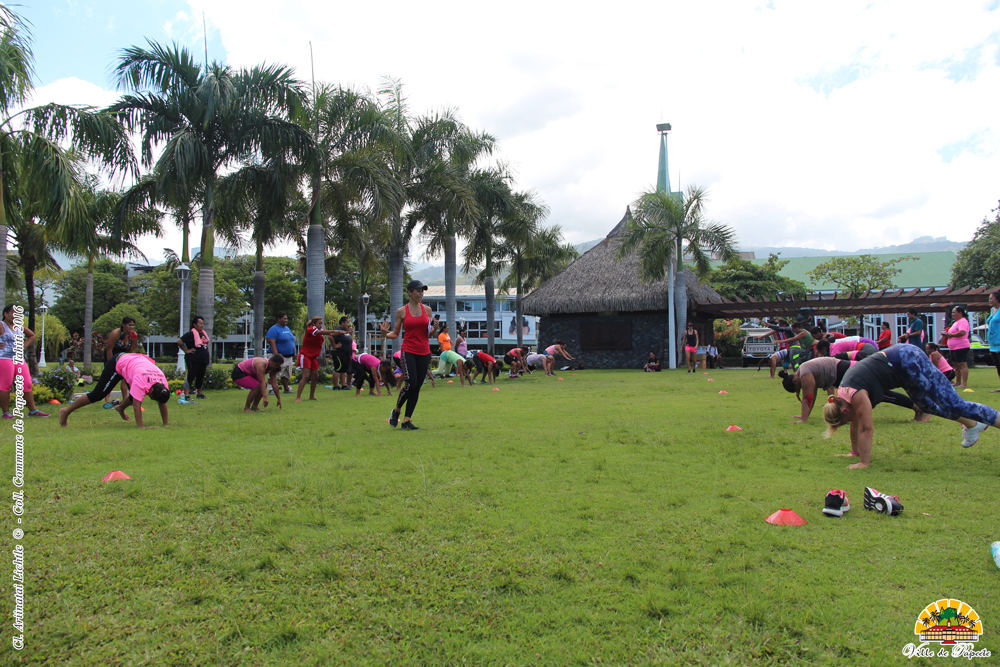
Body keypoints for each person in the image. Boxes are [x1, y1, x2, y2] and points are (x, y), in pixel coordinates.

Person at [823, 345, 999, 469]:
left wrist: (864, 463)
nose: (850, 423)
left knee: (954, 403)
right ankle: (973, 425)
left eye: (845, 422)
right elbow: (856, 424)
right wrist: (855, 452)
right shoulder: (844, 396)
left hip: (907, 358)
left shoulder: (855, 394)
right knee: (927, 406)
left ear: (845, 410)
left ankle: (991, 420)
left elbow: (866, 428)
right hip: (902, 371)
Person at [781, 356, 916, 424]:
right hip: (844, 372)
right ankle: (916, 406)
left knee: (881, 394)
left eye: (798, 388)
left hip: (847, 371)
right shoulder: (804, 371)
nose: (801, 390)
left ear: (795, 380)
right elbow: (812, 397)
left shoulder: (805, 373)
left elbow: (808, 397)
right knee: (880, 394)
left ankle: (917, 407)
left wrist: (803, 420)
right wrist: (804, 415)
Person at [380, 280, 439, 430]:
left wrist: (435, 329)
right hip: (408, 351)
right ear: (410, 292)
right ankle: (397, 410)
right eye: (418, 291)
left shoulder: (427, 310)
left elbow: (429, 334)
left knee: (417, 386)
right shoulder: (402, 311)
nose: (421, 294)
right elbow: (395, 333)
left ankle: (407, 420)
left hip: (424, 352)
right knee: (411, 383)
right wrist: (385, 334)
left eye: (422, 291)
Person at [58, 352, 170, 428]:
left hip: (135, 362)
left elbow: (162, 403)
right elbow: (136, 406)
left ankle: (120, 408)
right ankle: (66, 411)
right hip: (119, 362)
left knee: (133, 395)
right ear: (150, 391)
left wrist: (166, 425)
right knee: (98, 394)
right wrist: (141, 427)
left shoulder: (162, 383)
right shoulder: (141, 381)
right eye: (152, 398)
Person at [0, 305, 49, 419]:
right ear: (5, 314)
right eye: (13, 313)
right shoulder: (1, 325)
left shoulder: (19, 326)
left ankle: (33, 411)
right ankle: (6, 413)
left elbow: (31, 335)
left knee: (26, 384)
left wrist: (23, 346)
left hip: (19, 358)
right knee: (6, 385)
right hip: (5, 358)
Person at [296, 316, 338, 402]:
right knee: (305, 376)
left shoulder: (320, 330)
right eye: (319, 323)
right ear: (314, 323)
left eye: (321, 323)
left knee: (315, 376)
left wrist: (341, 332)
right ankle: (298, 397)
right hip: (305, 355)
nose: (320, 325)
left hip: (313, 356)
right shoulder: (311, 329)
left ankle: (312, 396)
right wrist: (335, 330)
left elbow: (330, 334)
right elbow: (321, 332)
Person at [177, 316, 210, 402]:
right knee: (191, 375)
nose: (202, 325)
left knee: (200, 376)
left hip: (203, 359)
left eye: (202, 323)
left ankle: (199, 394)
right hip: (193, 359)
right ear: (194, 325)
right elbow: (179, 341)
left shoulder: (203, 334)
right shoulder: (191, 334)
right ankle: (186, 394)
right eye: (200, 323)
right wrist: (186, 350)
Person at [106, 316, 139, 399]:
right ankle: (106, 401)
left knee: (124, 378)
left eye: (132, 325)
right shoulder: (115, 333)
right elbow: (109, 349)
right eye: (129, 325)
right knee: (109, 378)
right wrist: (110, 364)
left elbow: (132, 351)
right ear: (123, 325)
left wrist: (131, 364)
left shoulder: (133, 335)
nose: (131, 327)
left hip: (123, 356)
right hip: (112, 355)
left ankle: (125, 399)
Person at [265, 312, 297, 394]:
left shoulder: (287, 328)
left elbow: (291, 341)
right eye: (284, 318)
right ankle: (271, 389)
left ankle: (286, 389)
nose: (286, 320)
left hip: (288, 356)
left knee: (286, 373)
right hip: (278, 356)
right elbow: (271, 341)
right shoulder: (274, 329)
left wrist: (294, 352)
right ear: (279, 319)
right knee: (274, 371)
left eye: (286, 318)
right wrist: (276, 355)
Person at [942, 305, 971, 389]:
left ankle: (964, 383)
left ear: (960, 313)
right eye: (952, 312)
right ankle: (958, 382)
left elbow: (962, 332)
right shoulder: (955, 322)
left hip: (961, 346)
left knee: (962, 364)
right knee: (955, 364)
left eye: (954, 312)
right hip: (953, 347)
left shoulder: (963, 321)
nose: (952, 314)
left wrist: (950, 334)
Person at [329, 317, 355, 390]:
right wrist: (334, 345)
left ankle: (344, 385)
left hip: (346, 353)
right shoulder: (338, 330)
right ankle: (336, 386)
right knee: (338, 369)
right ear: (342, 322)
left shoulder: (345, 331)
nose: (348, 324)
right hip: (339, 352)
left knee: (344, 370)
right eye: (347, 322)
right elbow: (330, 336)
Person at [987, 290, 1000, 393]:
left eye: (992, 298)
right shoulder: (992, 310)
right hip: (993, 344)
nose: (990, 300)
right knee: (998, 366)